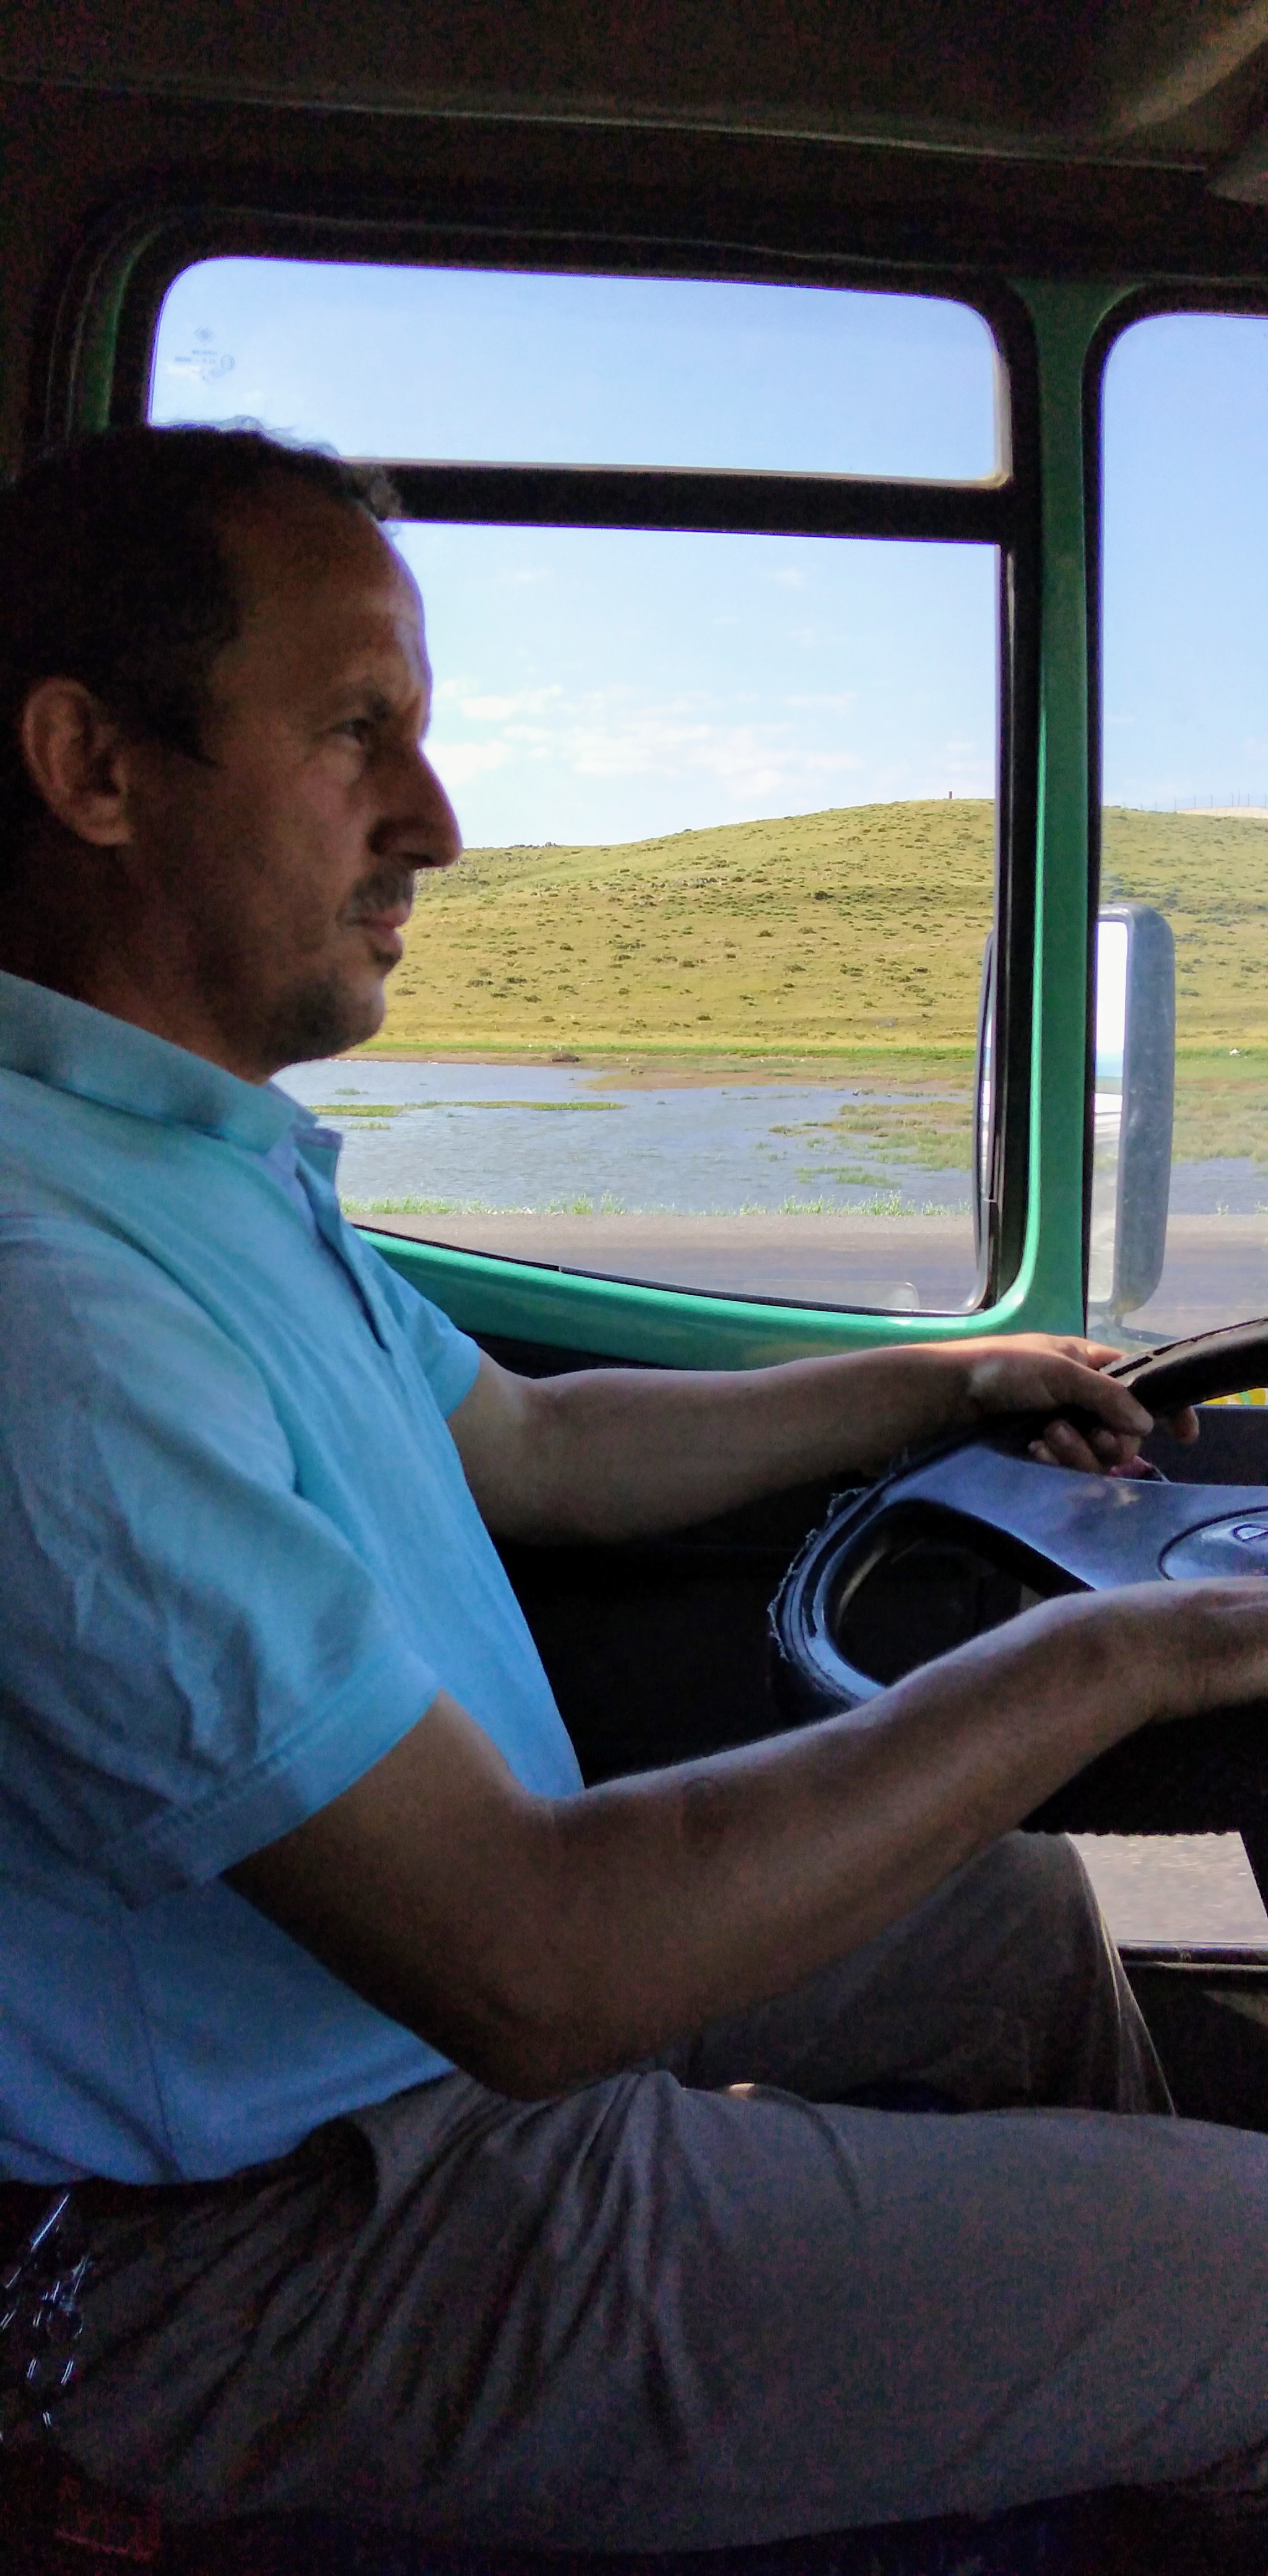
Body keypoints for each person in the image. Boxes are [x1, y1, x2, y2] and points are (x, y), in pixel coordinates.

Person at [2, 424, 1268, 2551]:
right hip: (272, 2239)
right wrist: (1127, 1655)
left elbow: (533, 1447)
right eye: (357, 730)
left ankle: (1124, 2458)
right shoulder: (50, 1306)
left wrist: (939, 1375)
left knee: (1014, 1923)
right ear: (96, 767)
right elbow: (537, 1968)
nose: (439, 820)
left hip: (392, 2051)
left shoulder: (178, 1163)